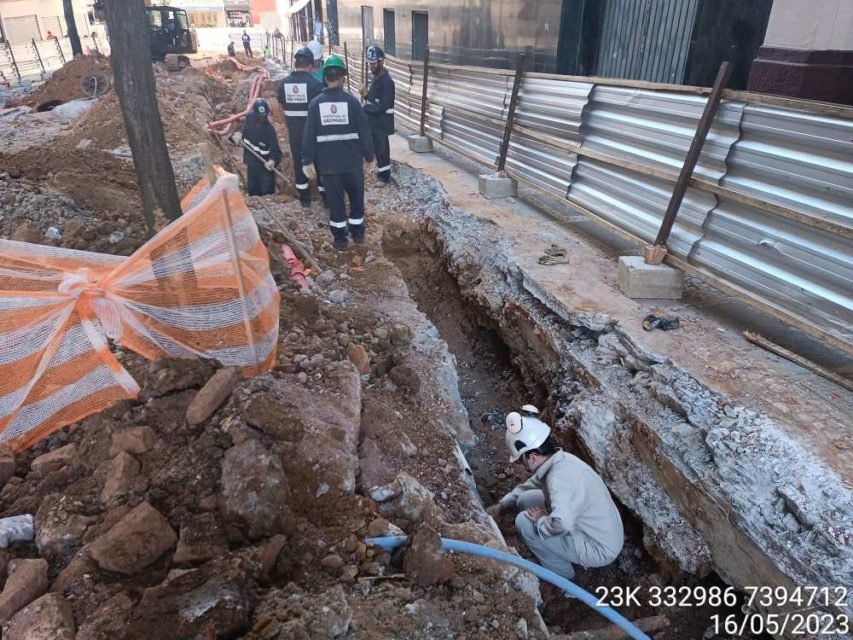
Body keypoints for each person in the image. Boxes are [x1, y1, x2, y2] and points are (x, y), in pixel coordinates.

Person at [486, 405, 624, 580]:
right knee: (525, 499)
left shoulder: (559, 480)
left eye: (522, 460)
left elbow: (562, 523)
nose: (522, 465)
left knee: (524, 522)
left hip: (599, 547)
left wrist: (541, 520)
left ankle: (562, 576)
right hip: (598, 528)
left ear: (533, 457)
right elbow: (530, 484)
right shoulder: (558, 461)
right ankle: (554, 543)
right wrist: (503, 504)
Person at [302, 55, 374, 251]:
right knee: (356, 200)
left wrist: (307, 160)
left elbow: (308, 135)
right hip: (352, 165)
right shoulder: (352, 103)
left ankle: (341, 240)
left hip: (329, 167)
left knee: (336, 203)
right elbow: (364, 133)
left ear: (324, 77)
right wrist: (369, 157)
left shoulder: (316, 104)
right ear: (343, 77)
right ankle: (358, 234)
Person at [277, 47, 324, 208]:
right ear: (310, 65)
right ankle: (324, 196)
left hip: (294, 131)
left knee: (298, 162)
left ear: (295, 63)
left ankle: (304, 199)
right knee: (319, 162)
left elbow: (281, 105)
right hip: (313, 133)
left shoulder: (284, 84)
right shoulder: (315, 85)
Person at [232, 98, 282, 196]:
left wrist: (272, 160)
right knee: (253, 191)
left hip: (264, 165)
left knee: (267, 192)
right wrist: (239, 134)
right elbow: (244, 129)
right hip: (251, 162)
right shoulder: (249, 118)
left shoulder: (269, 130)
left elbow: (276, 151)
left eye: (264, 116)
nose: (262, 119)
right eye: (260, 117)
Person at [360, 45, 395, 187]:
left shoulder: (387, 81)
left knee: (382, 150)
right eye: (370, 63)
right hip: (374, 122)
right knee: (377, 148)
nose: (371, 66)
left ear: (381, 61)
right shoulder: (376, 78)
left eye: (373, 63)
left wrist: (366, 107)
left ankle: (384, 176)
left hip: (382, 122)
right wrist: (366, 95)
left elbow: (383, 105)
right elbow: (374, 99)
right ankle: (380, 172)